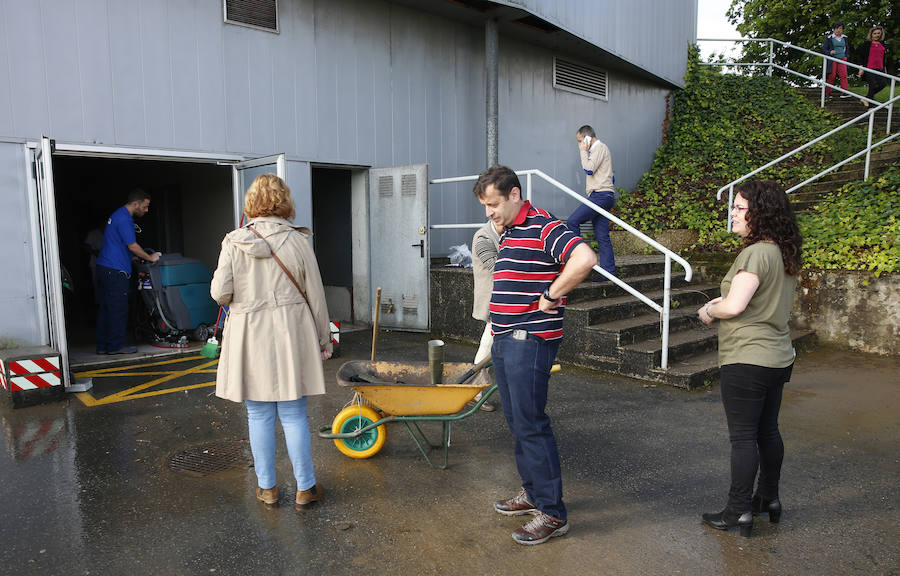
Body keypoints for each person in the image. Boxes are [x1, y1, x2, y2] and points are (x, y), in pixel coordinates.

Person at [474, 165, 597, 545]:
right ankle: (532, 493)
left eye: (493, 204)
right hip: (506, 338)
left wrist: (551, 294)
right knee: (517, 421)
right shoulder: (510, 230)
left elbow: (584, 258)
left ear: (514, 194)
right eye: (484, 206)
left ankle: (552, 513)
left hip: (529, 339)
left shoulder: (545, 225)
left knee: (531, 424)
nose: (489, 213)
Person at [211, 173, 333, 510]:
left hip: (249, 333)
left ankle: (267, 489)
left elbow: (220, 294)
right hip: (292, 332)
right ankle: (306, 488)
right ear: (284, 202)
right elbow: (316, 296)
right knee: (293, 413)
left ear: (251, 203)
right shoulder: (298, 241)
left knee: (258, 414)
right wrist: (324, 338)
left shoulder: (234, 241)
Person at [697, 180, 803, 538]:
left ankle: (737, 510)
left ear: (761, 214)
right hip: (778, 356)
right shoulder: (783, 252)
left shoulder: (756, 253)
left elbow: (735, 306)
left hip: (748, 358)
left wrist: (709, 310)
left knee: (743, 437)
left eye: (740, 208)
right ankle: (768, 499)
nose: (733, 214)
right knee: (767, 430)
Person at [95, 188, 159, 355]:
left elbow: (118, 244)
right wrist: (150, 257)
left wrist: (133, 258)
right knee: (118, 309)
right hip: (116, 271)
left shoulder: (116, 215)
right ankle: (115, 346)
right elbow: (132, 246)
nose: (146, 210)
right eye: (145, 206)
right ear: (135, 204)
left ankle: (103, 345)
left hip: (104, 267)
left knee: (106, 309)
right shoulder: (125, 219)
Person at [566, 125, 616, 277]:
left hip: (600, 196)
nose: (579, 144)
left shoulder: (599, 148)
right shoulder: (600, 150)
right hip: (604, 195)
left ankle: (579, 260)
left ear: (587, 138)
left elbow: (589, 169)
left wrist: (582, 151)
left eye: (580, 141)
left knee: (573, 221)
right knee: (602, 235)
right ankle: (608, 273)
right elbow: (610, 176)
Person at [467, 218, 502, 412]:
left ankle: (475, 391)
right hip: (494, 302)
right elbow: (498, 269)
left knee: (492, 346)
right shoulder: (483, 237)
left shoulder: (507, 232)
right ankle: (475, 392)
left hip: (505, 301)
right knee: (488, 346)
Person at [857, 26, 888, 108]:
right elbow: (861, 57)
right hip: (869, 68)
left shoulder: (882, 44)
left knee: (883, 84)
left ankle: (866, 98)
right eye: (875, 33)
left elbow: (883, 58)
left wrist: (884, 69)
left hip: (880, 68)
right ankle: (870, 106)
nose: (877, 35)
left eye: (878, 33)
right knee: (872, 85)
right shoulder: (867, 44)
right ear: (871, 34)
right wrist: (861, 68)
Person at [823, 22, 851, 98]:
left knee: (844, 75)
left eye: (840, 28)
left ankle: (844, 92)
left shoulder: (844, 38)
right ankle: (827, 93)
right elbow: (824, 49)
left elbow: (847, 48)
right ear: (834, 29)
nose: (839, 30)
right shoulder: (829, 38)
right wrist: (830, 52)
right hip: (833, 59)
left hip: (842, 59)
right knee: (832, 76)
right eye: (837, 28)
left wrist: (846, 56)